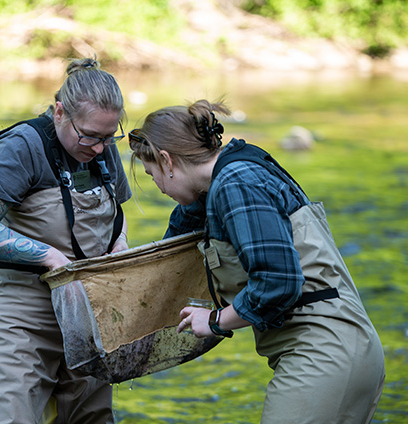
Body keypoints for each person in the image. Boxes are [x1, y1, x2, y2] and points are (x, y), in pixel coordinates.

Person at [128, 99, 385, 424]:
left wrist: (215, 320)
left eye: (152, 175)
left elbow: (279, 282)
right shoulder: (231, 174)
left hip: (323, 354)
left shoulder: (236, 185)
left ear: (167, 161)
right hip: (342, 350)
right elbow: (174, 247)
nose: (158, 187)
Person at [0, 57, 131, 424]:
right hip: (19, 313)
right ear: (60, 111)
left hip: (86, 311)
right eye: (89, 136)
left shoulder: (100, 143)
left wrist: (120, 248)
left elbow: (118, 215)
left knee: (92, 418)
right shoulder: (22, 146)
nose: (99, 148)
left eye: (108, 137)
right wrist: (49, 256)